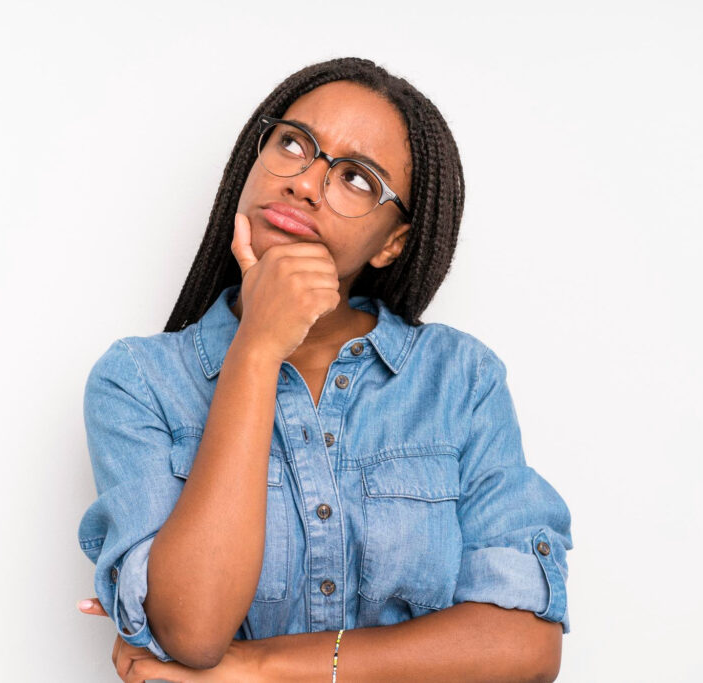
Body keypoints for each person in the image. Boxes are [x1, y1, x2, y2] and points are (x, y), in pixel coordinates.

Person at [75, 56, 573, 682]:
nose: (306, 184)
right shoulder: (138, 382)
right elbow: (194, 630)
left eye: (357, 179)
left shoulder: (460, 379)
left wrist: (258, 667)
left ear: (392, 243)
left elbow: (523, 647)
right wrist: (257, 348)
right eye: (293, 144)